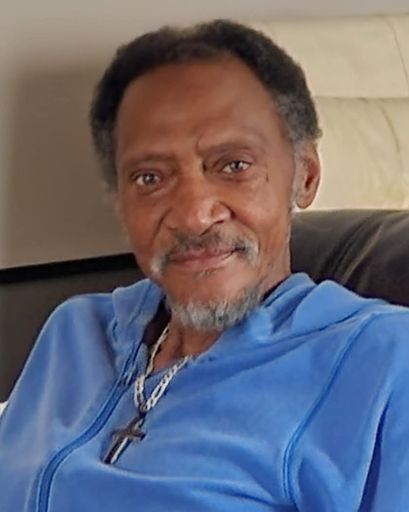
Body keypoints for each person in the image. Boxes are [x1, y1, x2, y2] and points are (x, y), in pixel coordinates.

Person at [0, 19, 408, 512]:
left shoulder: (384, 362)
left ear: (305, 175)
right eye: (150, 178)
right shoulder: (73, 334)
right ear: (120, 202)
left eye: (234, 165)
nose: (194, 215)